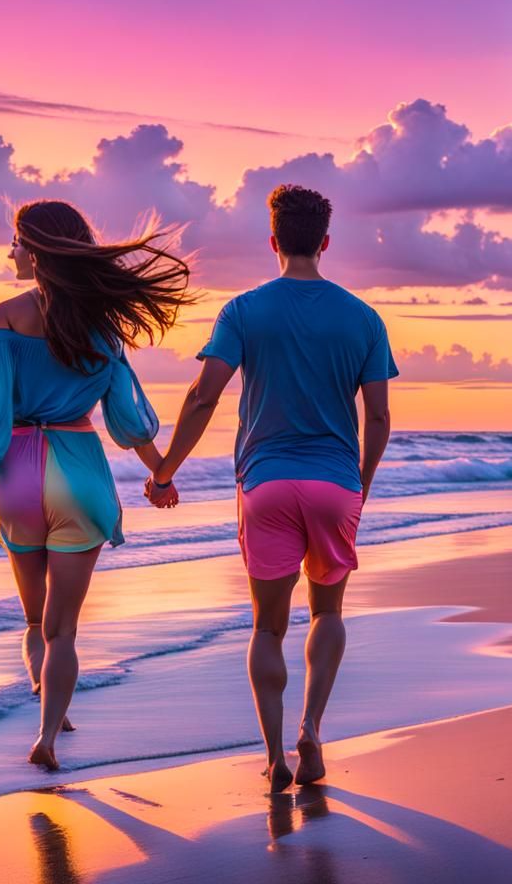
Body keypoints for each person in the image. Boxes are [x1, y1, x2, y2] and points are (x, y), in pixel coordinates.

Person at [146, 184, 397, 792]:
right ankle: (312, 729)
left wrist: (165, 469)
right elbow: (379, 417)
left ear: (273, 241)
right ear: (326, 242)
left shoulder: (243, 311)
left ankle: (274, 755)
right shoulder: (364, 318)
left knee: (267, 627)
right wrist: (359, 485)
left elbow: (203, 396)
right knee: (327, 612)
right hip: (335, 483)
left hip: (265, 484)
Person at [0, 200, 189, 770]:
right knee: (63, 630)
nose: (10, 252)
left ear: (37, 250)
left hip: (18, 479)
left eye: (16, 242)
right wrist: (160, 473)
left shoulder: (6, 316)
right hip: (79, 474)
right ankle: (48, 736)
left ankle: (46, 693)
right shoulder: (103, 326)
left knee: (36, 621)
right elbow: (126, 418)